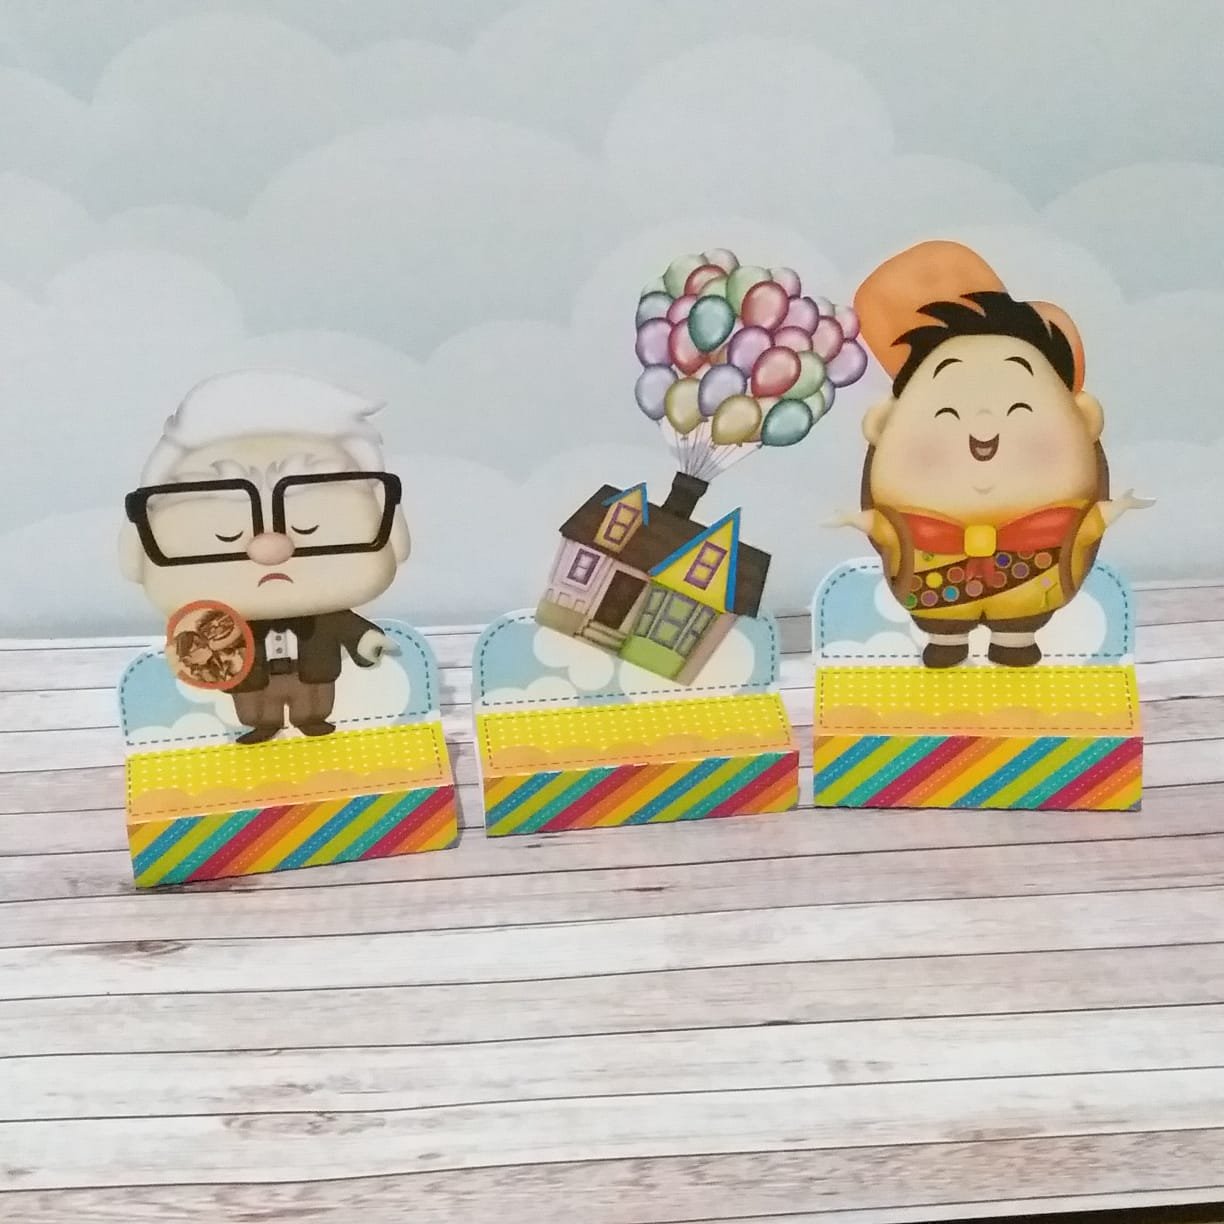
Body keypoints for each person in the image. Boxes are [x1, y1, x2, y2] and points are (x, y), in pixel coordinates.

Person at [830, 241, 1151, 667]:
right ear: (881, 425)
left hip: (1038, 575)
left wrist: (1114, 507)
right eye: (947, 414)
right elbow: (886, 528)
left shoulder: (1069, 481)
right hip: (930, 580)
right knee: (942, 622)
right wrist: (863, 520)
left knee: (1020, 621)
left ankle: (1015, 638)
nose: (983, 427)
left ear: (1086, 420)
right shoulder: (897, 470)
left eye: (1019, 410)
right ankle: (945, 639)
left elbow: (1088, 524)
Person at [121, 369, 411, 741]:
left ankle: (312, 721)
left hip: (315, 672)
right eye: (226, 536)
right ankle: (262, 725)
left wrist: (368, 641)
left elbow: (347, 627)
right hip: (250, 675)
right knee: (253, 702)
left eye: (309, 529)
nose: (271, 549)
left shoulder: (328, 614)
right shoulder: (215, 622)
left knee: (314, 699)